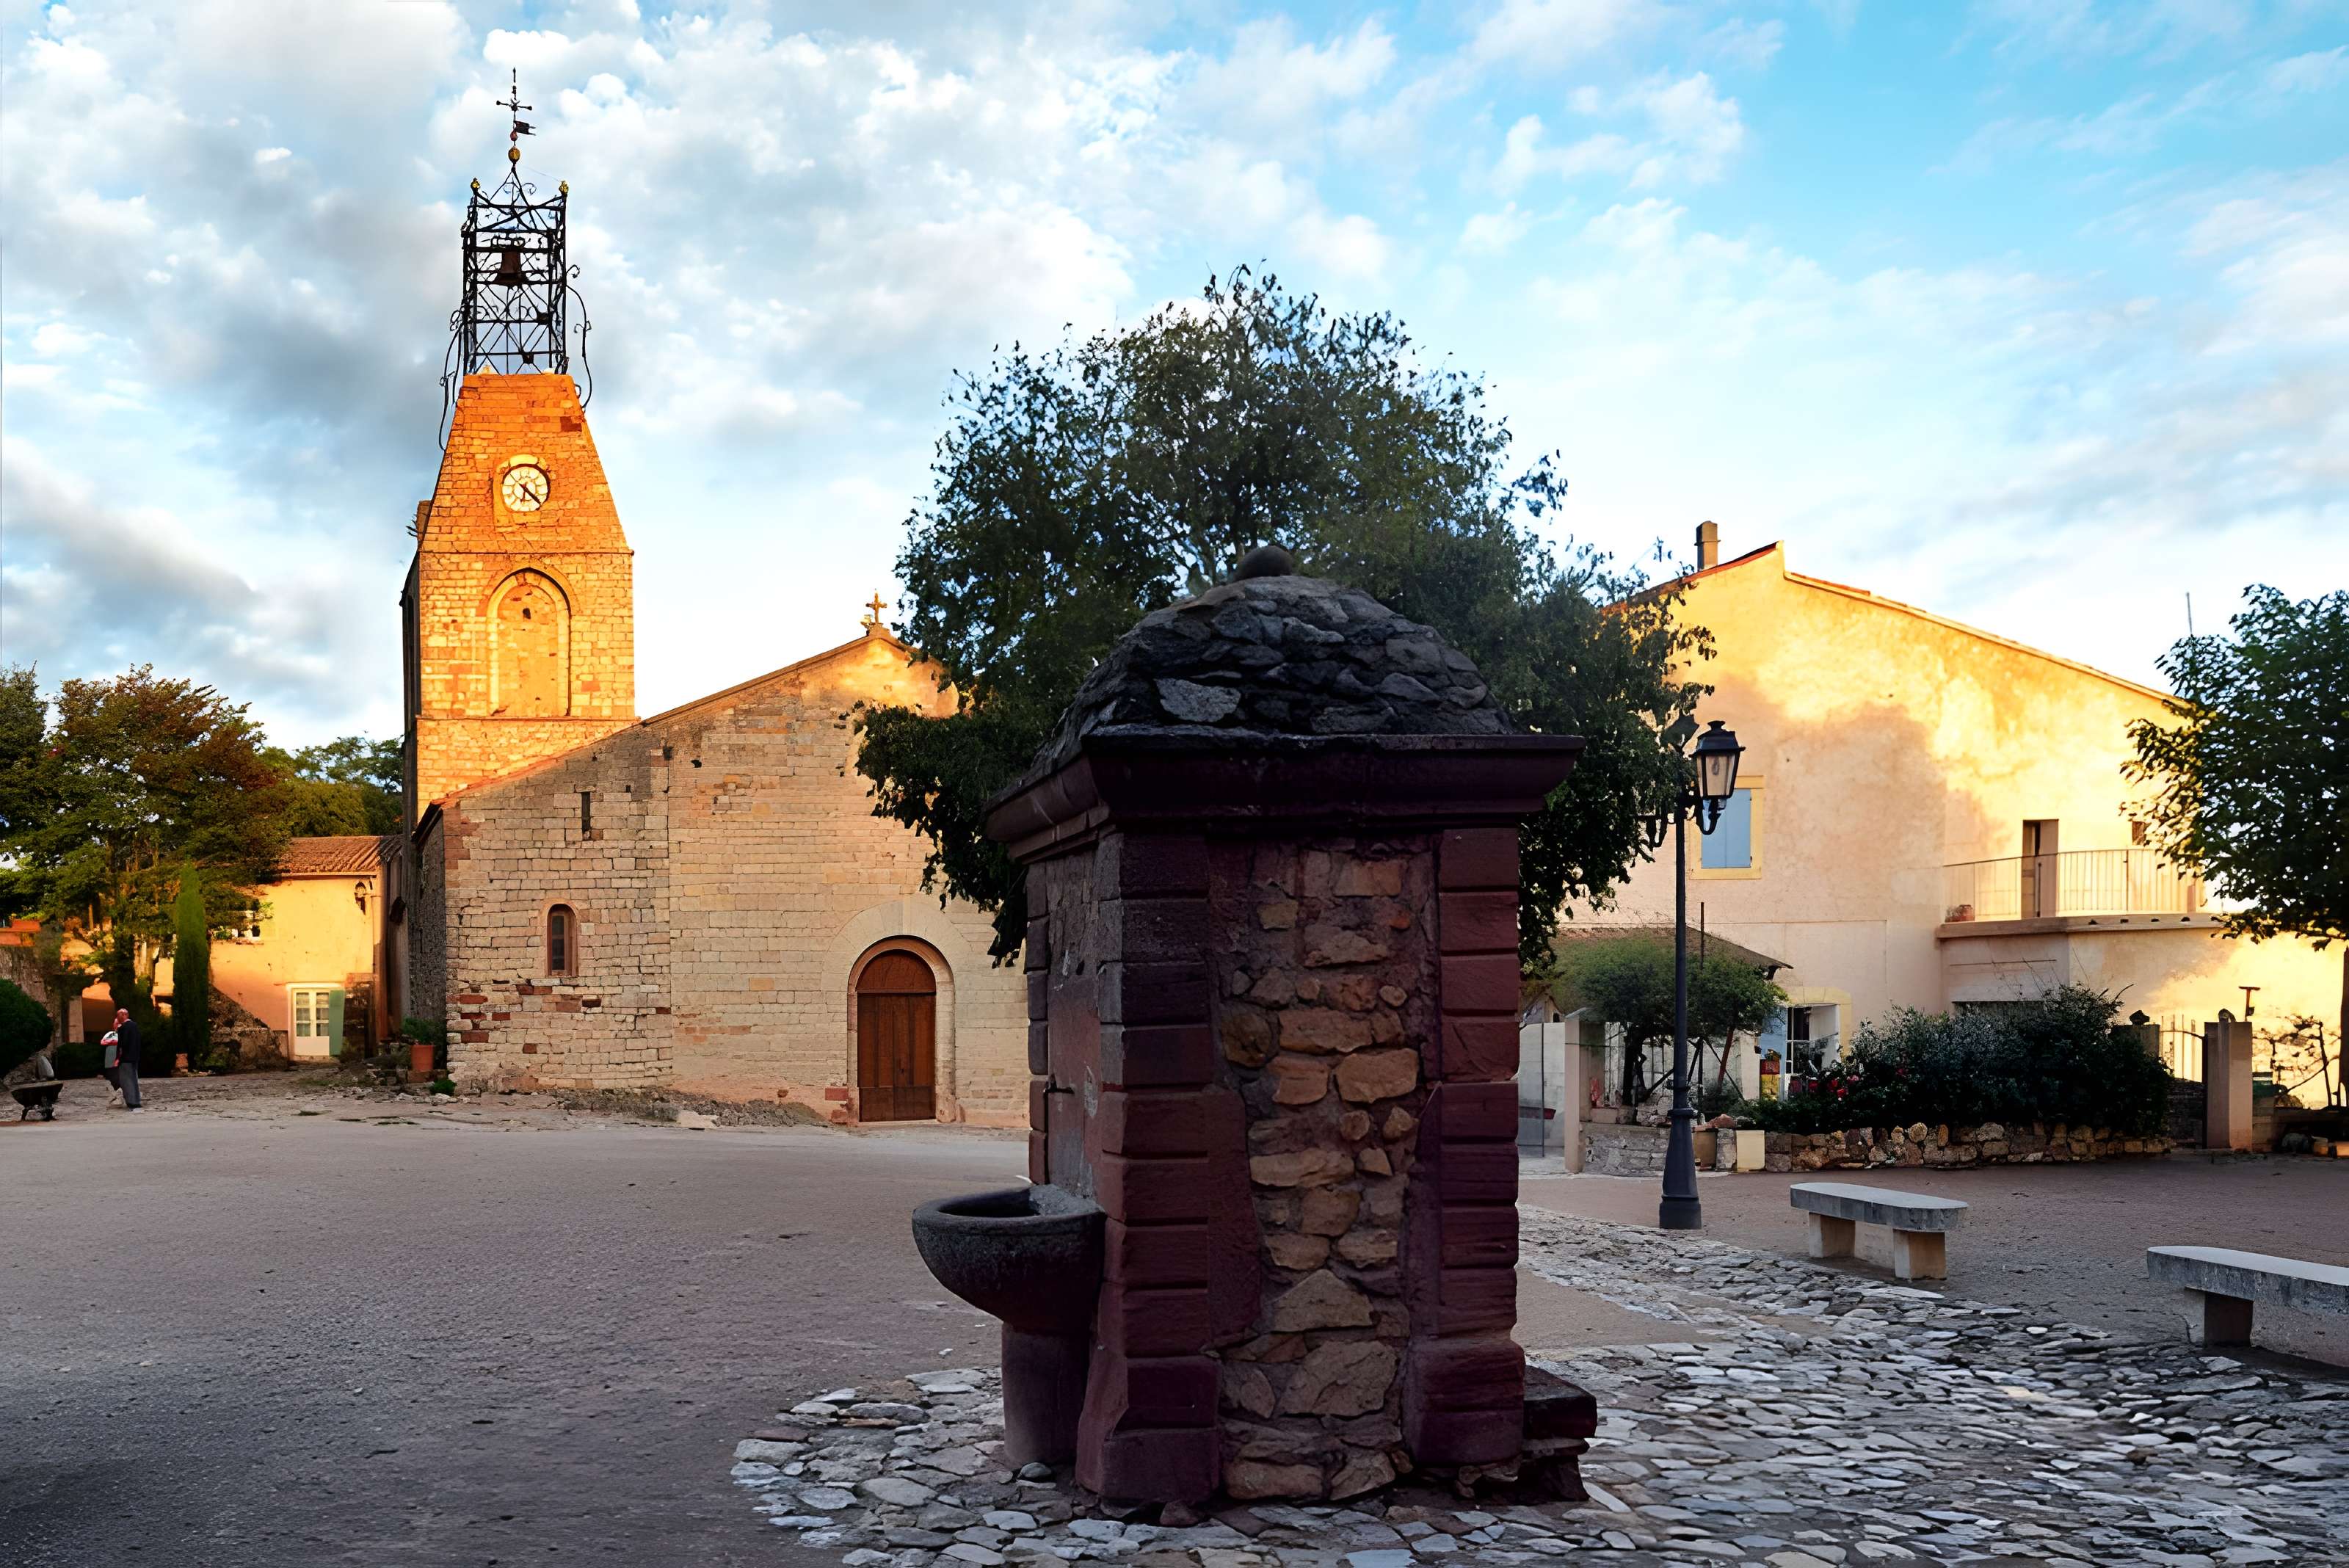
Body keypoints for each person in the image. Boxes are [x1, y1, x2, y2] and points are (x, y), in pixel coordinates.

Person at [110, 1006, 144, 1112]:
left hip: (126, 1058)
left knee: (127, 1080)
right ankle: (136, 1100)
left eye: (118, 1016)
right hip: (135, 1057)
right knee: (134, 1079)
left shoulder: (124, 1028)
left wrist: (118, 1058)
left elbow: (121, 1044)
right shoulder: (135, 1026)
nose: (117, 1018)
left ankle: (132, 1102)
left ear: (123, 1015)